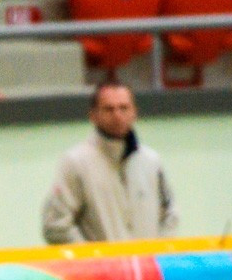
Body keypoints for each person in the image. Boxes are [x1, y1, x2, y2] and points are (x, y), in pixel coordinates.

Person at [41, 81, 179, 245]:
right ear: (93, 115)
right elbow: (56, 226)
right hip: (101, 269)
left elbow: (170, 214)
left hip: (148, 267)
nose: (117, 115)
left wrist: (158, 256)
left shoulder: (151, 161)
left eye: (124, 108)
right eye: (109, 109)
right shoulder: (76, 162)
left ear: (134, 112)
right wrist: (95, 261)